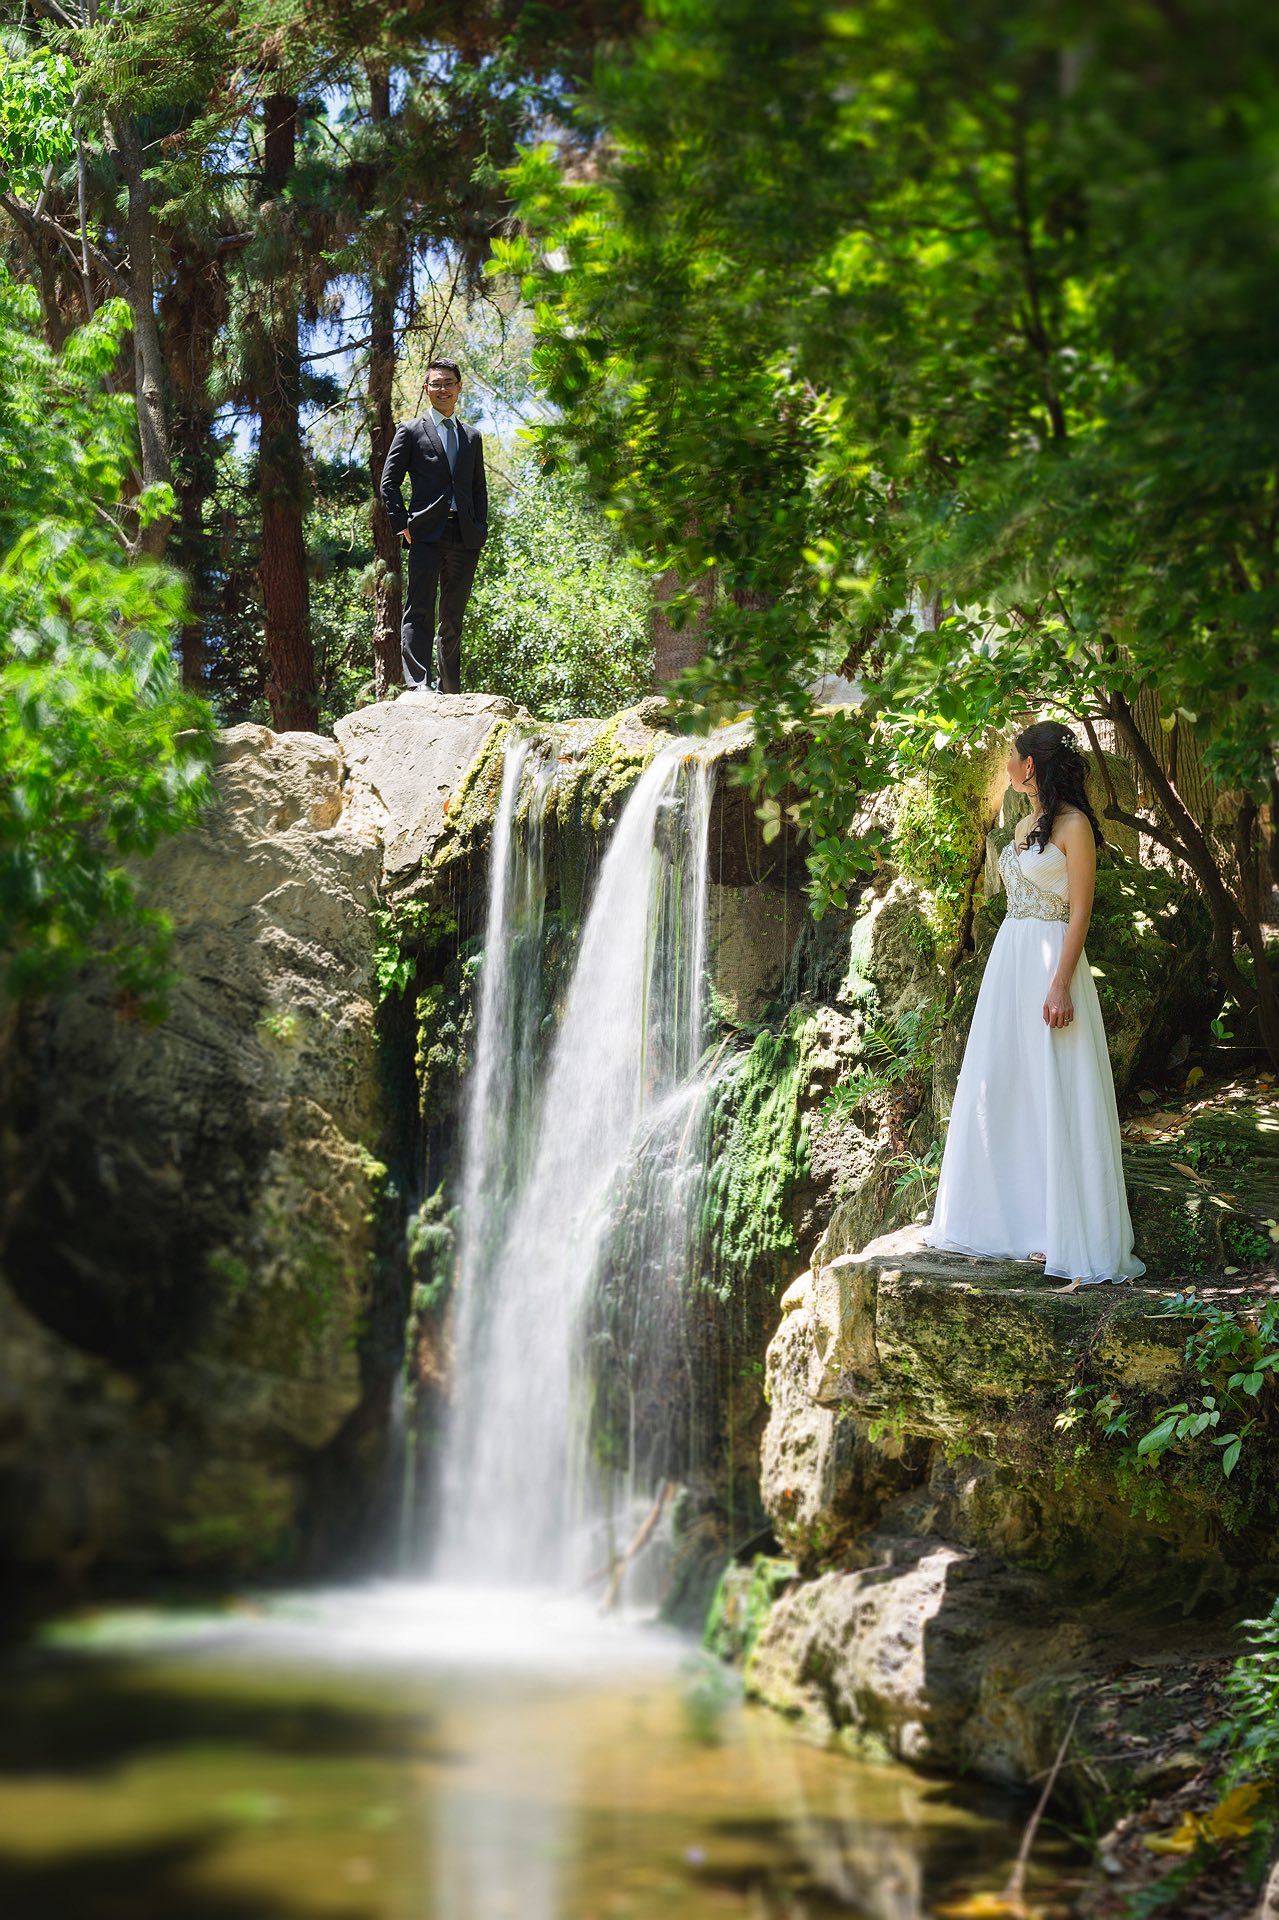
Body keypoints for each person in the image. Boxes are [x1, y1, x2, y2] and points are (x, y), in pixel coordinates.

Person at [923, 721, 1144, 1288]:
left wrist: (1060, 982)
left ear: (1032, 765)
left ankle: (1059, 1229)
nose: (1006, 767)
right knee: (1007, 1082)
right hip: (1009, 962)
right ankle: (1010, 1220)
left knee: (1054, 1087)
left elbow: (1080, 913)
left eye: (1013, 758)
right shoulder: (1023, 824)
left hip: (1050, 962)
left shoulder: (1076, 829)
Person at [378, 359, 488, 693]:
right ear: (426, 389)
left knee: (453, 615)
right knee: (420, 609)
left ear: (459, 388)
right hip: (425, 533)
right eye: (436, 384)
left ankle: (450, 686)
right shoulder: (410, 431)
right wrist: (403, 524)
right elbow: (389, 483)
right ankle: (418, 685)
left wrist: (480, 528)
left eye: (449, 383)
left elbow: (477, 488)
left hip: (465, 536)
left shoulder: (471, 437)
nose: (443, 389)